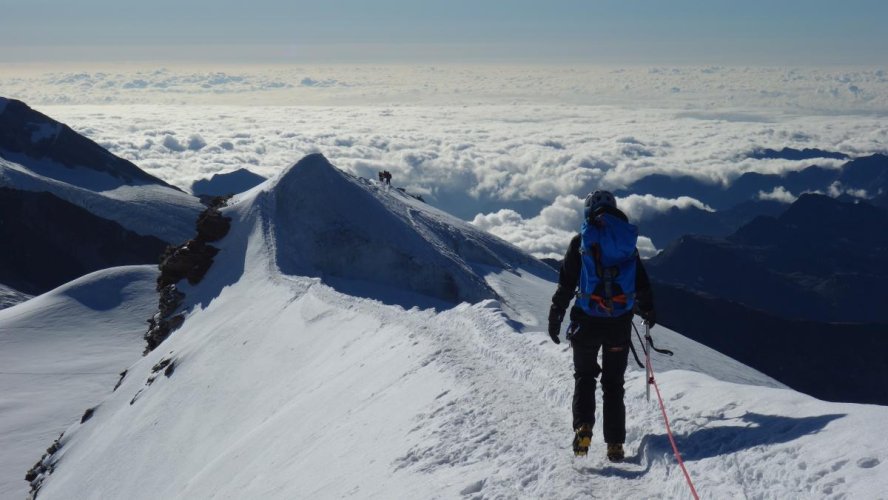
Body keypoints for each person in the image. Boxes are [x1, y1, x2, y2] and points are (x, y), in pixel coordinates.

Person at [548, 190, 656, 461]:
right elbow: (641, 283)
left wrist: (556, 314)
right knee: (613, 384)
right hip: (618, 323)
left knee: (585, 377)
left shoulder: (580, 241)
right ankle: (615, 444)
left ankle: (584, 426)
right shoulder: (627, 243)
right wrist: (649, 310)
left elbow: (566, 283)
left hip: (586, 321)